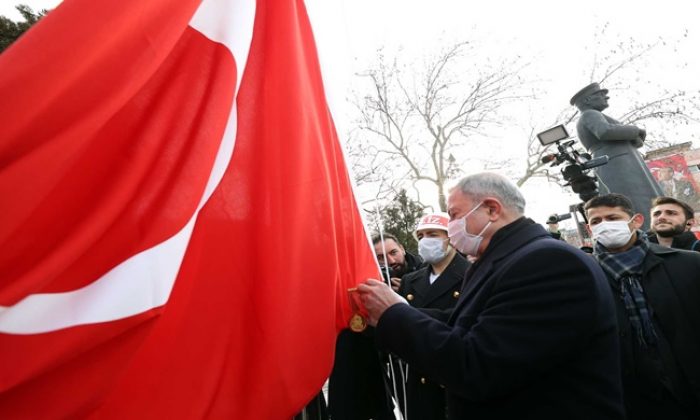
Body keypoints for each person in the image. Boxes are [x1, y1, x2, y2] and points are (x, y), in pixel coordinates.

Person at [358, 172, 625, 419]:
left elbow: (478, 366)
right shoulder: (500, 260)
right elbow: (464, 321)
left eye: (454, 215)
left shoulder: (548, 262)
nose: (450, 226)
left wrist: (395, 314)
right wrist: (398, 308)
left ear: (492, 209)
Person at [584, 193, 700, 419]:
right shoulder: (581, 279)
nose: (604, 225)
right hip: (633, 402)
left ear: (635, 221)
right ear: (589, 230)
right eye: (596, 222)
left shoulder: (690, 264)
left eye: (612, 218)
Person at [328, 234, 422, 420]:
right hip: (394, 365)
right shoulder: (373, 279)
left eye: (393, 252)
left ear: (402, 249)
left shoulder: (422, 272)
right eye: (380, 257)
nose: (390, 261)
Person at [396, 212, 469, 420]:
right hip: (420, 382)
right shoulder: (411, 280)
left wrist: (406, 315)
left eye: (433, 234)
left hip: (456, 380)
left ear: (451, 237)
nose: (425, 241)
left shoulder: (472, 274)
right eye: (421, 236)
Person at [571, 82, 663, 230]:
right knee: (637, 201)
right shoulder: (590, 114)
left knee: (641, 201)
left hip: (619, 161)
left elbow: (632, 140)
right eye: (600, 94)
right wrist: (635, 130)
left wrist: (635, 135)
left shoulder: (593, 115)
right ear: (587, 100)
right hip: (618, 164)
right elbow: (605, 131)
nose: (606, 97)